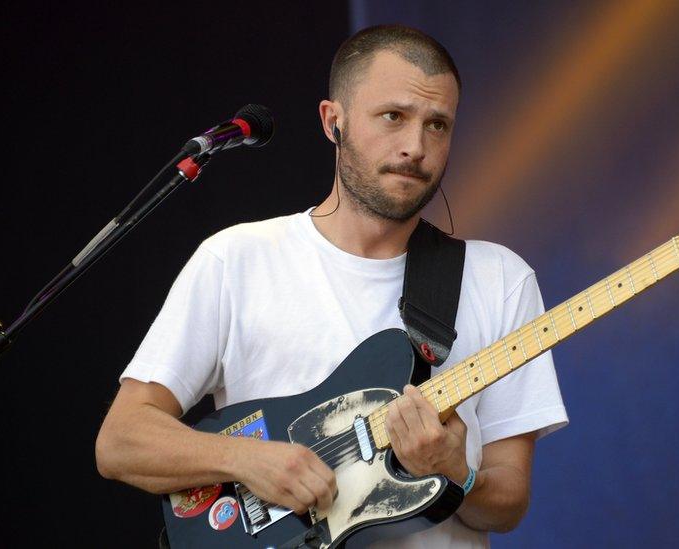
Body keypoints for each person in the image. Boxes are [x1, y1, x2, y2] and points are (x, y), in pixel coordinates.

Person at [95, 24, 567, 548]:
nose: (416, 146)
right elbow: (120, 441)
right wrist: (248, 459)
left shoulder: (501, 279)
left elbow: (507, 504)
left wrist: (455, 470)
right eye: (393, 116)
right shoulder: (237, 259)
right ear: (332, 121)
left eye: (438, 125)